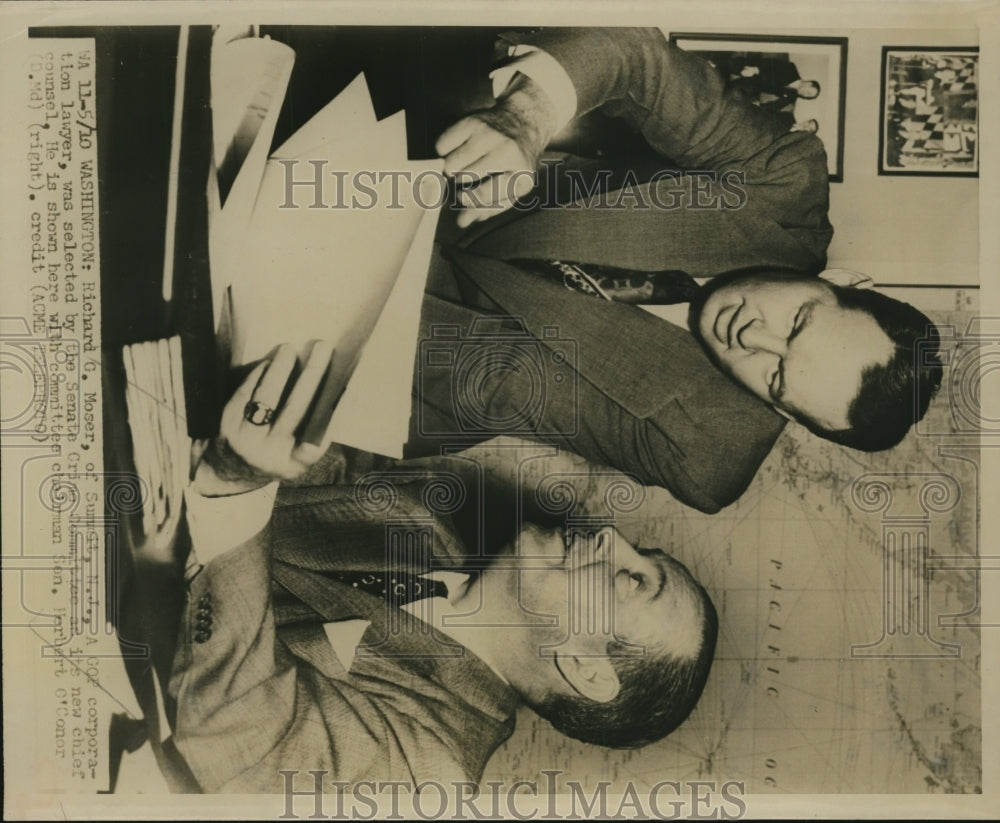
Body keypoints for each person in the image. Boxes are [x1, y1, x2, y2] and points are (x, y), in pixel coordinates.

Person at [404, 27, 942, 511]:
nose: (751, 337)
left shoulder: (706, 452)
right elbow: (636, 57)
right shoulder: (781, 182)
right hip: (443, 169)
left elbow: (494, 382)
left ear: (792, 417)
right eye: (797, 322)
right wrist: (526, 118)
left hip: (407, 360)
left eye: (776, 378)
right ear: (844, 283)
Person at [167, 341, 719, 792]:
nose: (608, 535)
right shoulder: (433, 514)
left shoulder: (426, 772)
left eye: (631, 580)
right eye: (642, 551)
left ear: (586, 670)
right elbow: (284, 448)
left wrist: (232, 492)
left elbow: (237, 739)